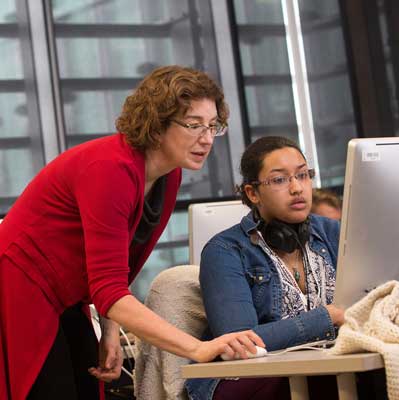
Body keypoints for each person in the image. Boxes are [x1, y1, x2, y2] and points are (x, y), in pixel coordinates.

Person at [0, 65, 263, 400]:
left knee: (86, 385)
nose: (207, 139)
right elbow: (108, 286)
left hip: (66, 293)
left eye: (213, 126)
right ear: (157, 124)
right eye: (194, 125)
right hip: (19, 283)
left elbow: (119, 266)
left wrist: (110, 330)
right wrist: (198, 348)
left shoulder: (169, 176)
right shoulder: (111, 168)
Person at [185, 136, 345, 400]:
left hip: (326, 364)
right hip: (244, 376)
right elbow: (240, 342)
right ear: (252, 193)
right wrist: (328, 318)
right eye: (280, 179)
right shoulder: (225, 250)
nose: (297, 188)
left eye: (303, 175)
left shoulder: (331, 232)